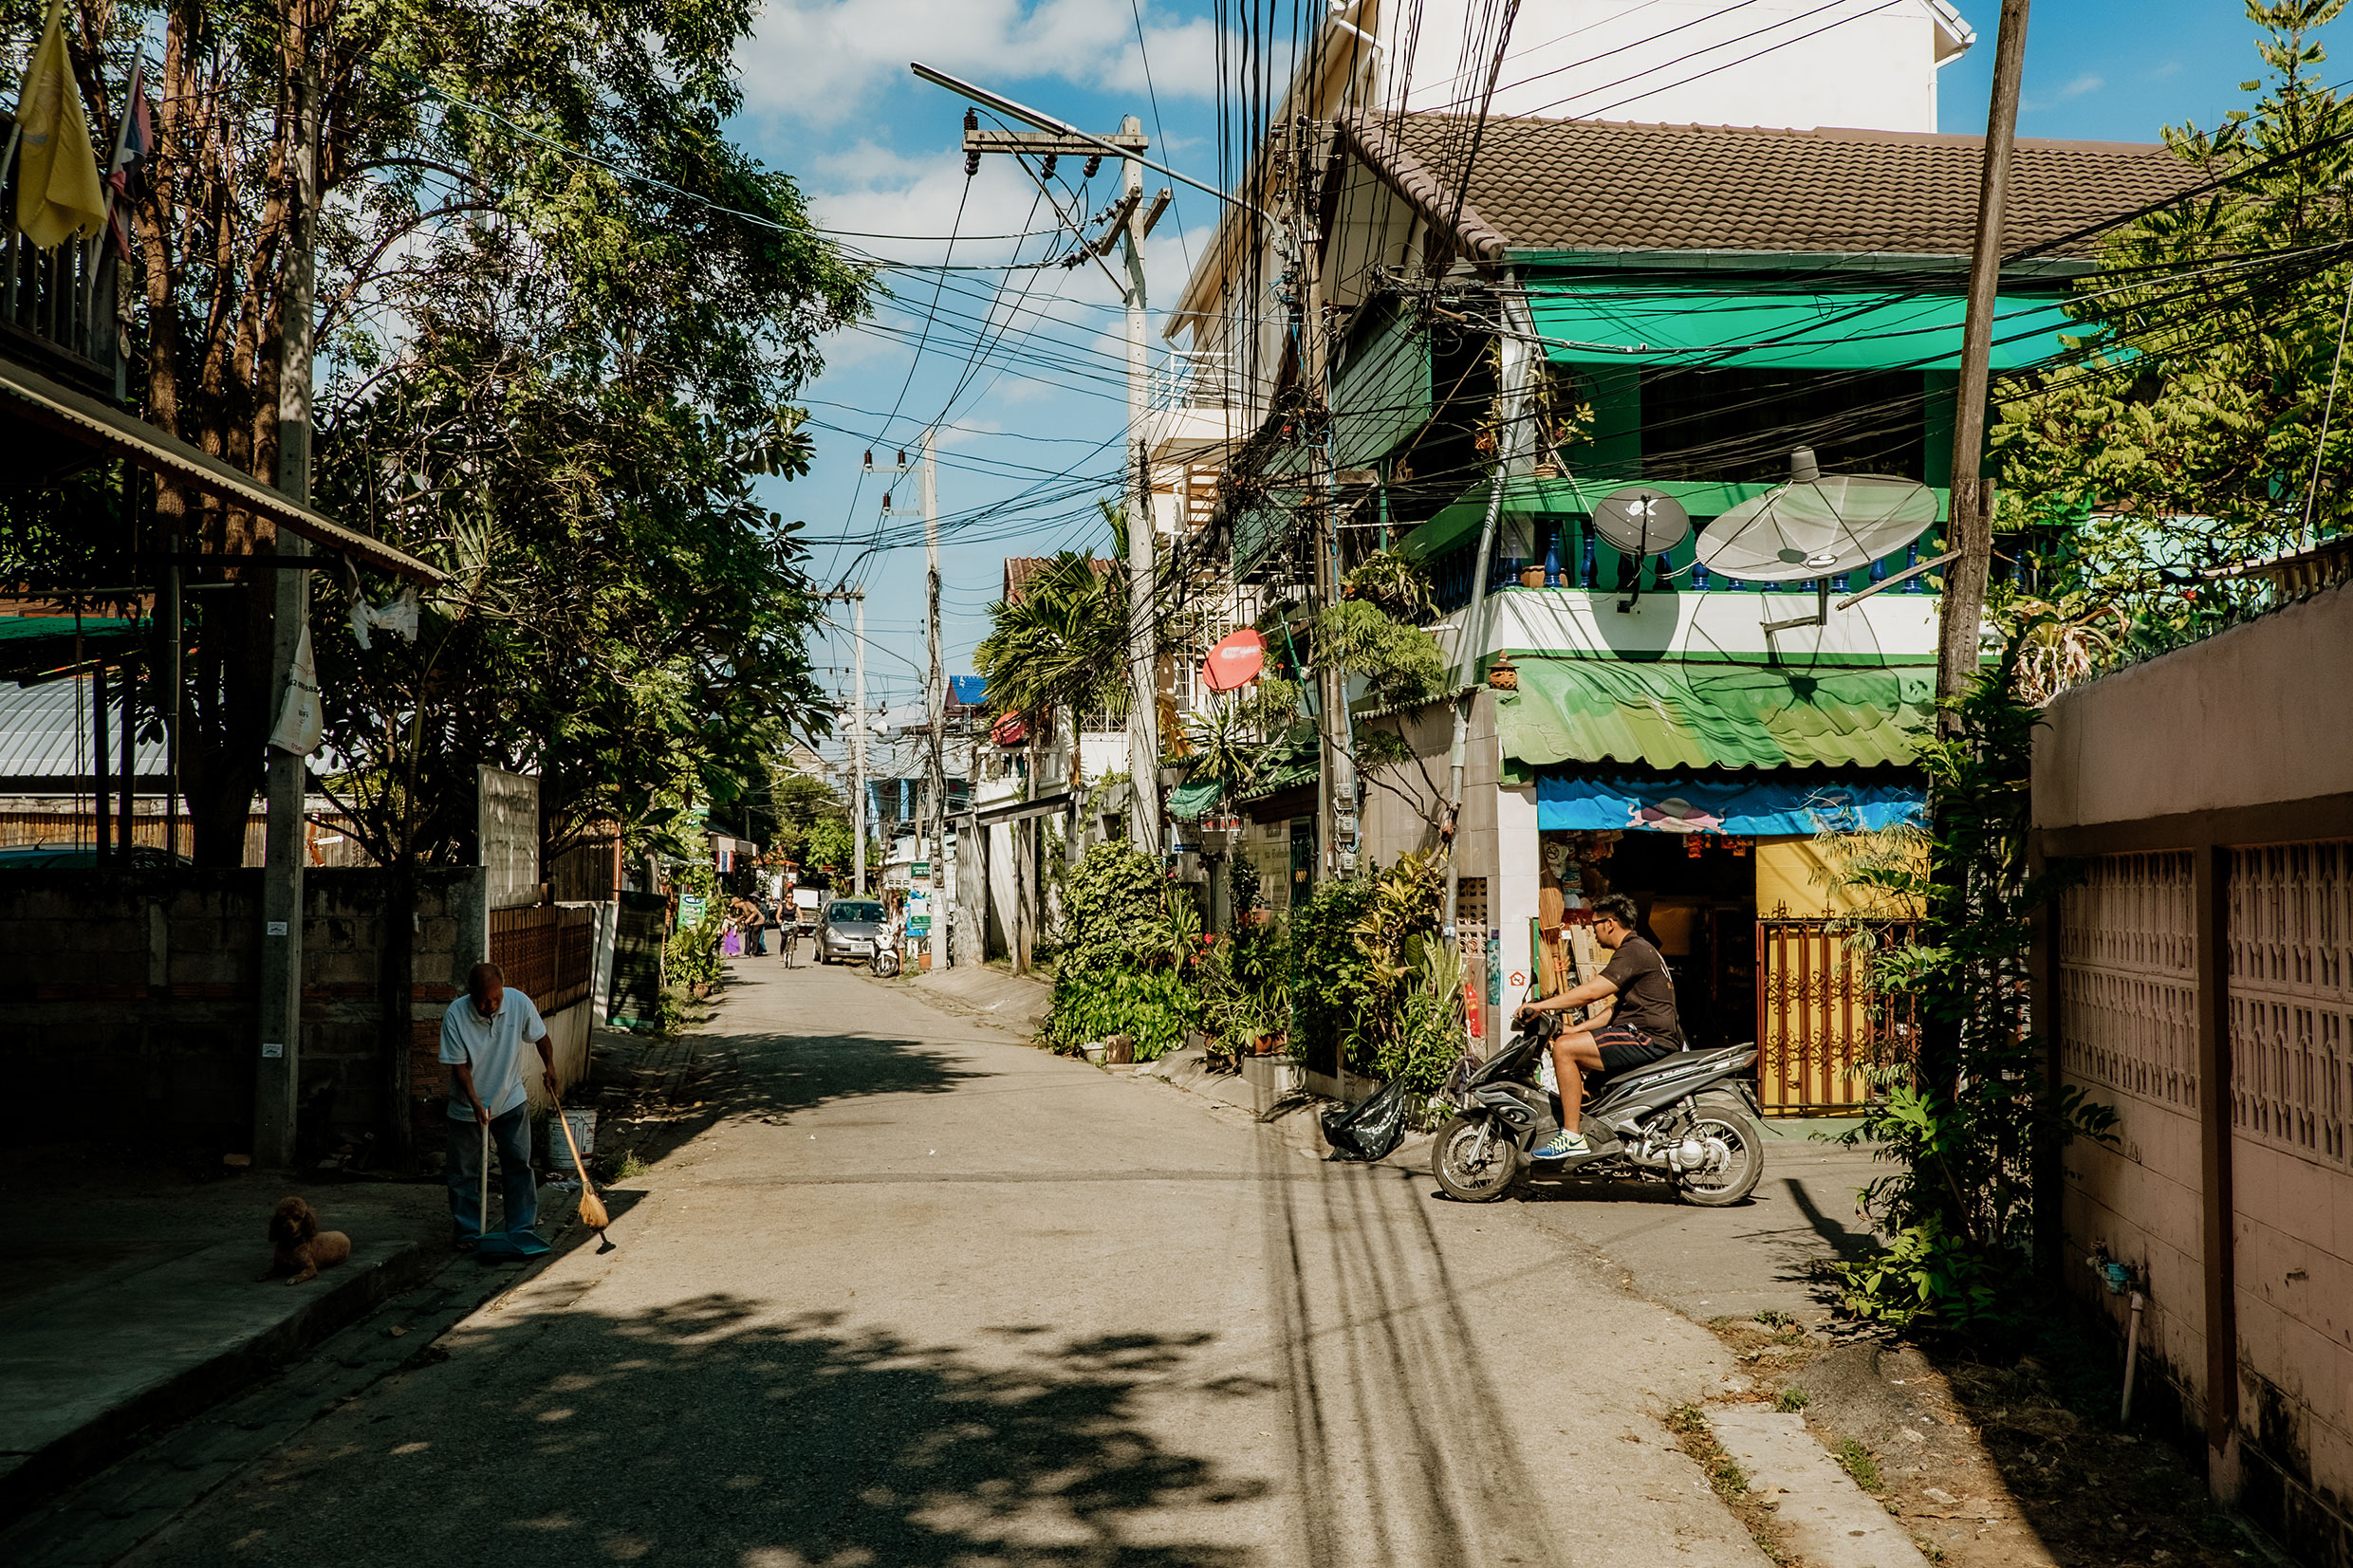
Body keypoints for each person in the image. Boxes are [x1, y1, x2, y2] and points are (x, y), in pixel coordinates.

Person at [1511, 894, 1684, 1159]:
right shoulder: (1639, 949)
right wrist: (1575, 1030)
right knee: (1582, 1072)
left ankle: (1571, 1136)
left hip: (1646, 1037)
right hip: (1645, 1033)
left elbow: (1591, 993)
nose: (1592, 932)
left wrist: (1542, 1006)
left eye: (1594, 925)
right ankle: (1599, 1138)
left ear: (1610, 924)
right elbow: (1615, 1011)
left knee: (1565, 1049)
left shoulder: (1633, 950)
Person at [441, 960, 556, 1246]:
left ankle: (521, 1228)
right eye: (484, 1001)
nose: (491, 1005)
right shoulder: (456, 1014)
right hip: (467, 1105)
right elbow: (459, 1067)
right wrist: (474, 1101)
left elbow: (540, 1037)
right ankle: (468, 1232)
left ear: (503, 989)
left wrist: (550, 1067)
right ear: (470, 994)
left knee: (518, 1164)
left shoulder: (518, 1002)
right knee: (464, 1172)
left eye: (497, 998)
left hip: (510, 1097)